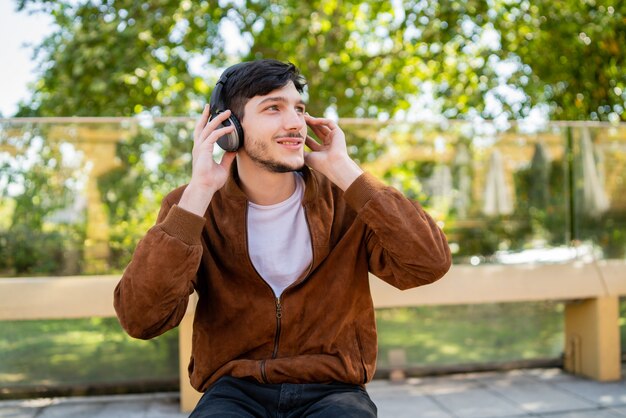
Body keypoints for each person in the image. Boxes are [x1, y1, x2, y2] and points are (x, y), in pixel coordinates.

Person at [114, 59, 451, 417]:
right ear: (229, 126)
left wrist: (344, 169)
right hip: (234, 389)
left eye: (299, 109)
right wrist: (199, 192)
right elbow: (142, 319)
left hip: (333, 387)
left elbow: (428, 264)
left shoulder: (345, 198)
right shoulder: (194, 206)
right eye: (273, 108)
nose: (295, 122)